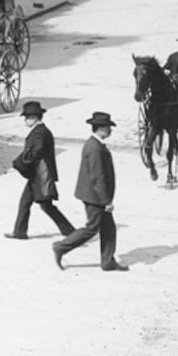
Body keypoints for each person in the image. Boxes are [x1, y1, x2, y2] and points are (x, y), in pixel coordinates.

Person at [53, 111, 127, 271]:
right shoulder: (95, 148)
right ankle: (61, 247)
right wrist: (106, 201)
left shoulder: (95, 144)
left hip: (94, 194)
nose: (110, 131)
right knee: (92, 228)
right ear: (101, 128)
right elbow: (97, 177)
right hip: (94, 196)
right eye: (108, 128)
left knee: (109, 228)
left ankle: (108, 261)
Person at [5, 100, 74, 239]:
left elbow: (36, 151)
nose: (25, 121)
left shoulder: (39, 133)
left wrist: (21, 162)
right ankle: (20, 231)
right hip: (37, 175)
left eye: (26, 118)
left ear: (33, 118)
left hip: (40, 175)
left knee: (46, 206)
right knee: (26, 203)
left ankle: (71, 232)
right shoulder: (41, 131)